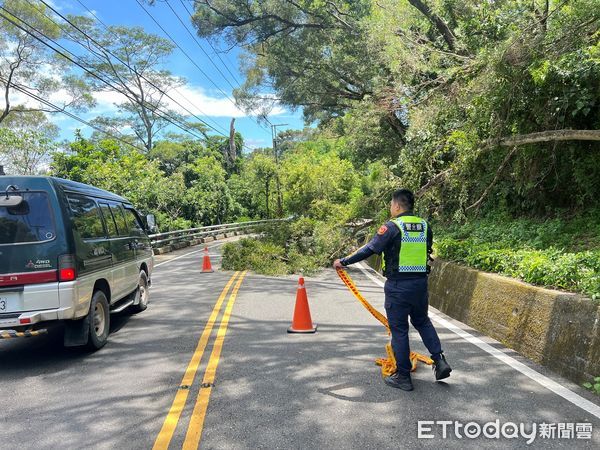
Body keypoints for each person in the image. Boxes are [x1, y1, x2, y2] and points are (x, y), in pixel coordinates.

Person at [333, 189, 451, 391]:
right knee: (422, 321)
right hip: (420, 284)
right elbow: (427, 250)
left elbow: (370, 249)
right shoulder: (425, 226)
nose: (390, 208)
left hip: (398, 286)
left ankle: (403, 376)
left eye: (391, 204)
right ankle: (440, 361)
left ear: (397, 205)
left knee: (399, 330)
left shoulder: (392, 227)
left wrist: (344, 261)